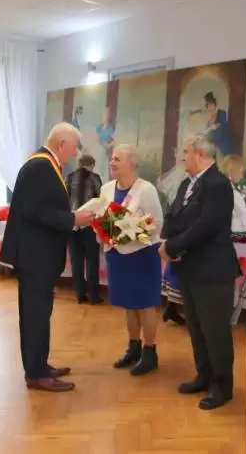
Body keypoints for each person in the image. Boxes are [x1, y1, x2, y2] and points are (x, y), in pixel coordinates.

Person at [0, 122, 94, 392]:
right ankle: (36, 373)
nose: (74, 153)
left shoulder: (43, 164)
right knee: (35, 315)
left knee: (40, 313)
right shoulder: (41, 166)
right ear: (61, 144)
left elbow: (40, 208)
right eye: (73, 147)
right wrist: (73, 219)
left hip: (37, 255)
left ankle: (40, 364)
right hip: (35, 256)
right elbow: (35, 211)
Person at [159, 134, 239, 410]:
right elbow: (175, 216)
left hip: (213, 271)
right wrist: (165, 239)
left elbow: (206, 226)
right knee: (196, 328)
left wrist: (173, 246)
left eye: (185, 152)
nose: (182, 157)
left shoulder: (218, 185)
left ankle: (222, 385)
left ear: (200, 154)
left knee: (215, 331)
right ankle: (203, 375)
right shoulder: (187, 183)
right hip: (189, 268)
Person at [97, 144, 164, 376]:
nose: (112, 162)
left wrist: (129, 231)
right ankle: (133, 347)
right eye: (112, 158)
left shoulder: (146, 189)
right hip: (117, 254)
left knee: (144, 304)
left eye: (117, 159)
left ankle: (150, 352)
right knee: (128, 303)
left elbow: (157, 224)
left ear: (132, 164)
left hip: (142, 254)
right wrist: (102, 229)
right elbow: (101, 217)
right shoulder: (106, 189)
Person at [66, 153, 103, 304]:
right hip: (89, 225)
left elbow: (65, 199)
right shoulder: (95, 178)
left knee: (76, 261)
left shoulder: (69, 178)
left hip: (72, 224)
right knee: (92, 261)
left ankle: (80, 294)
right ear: (91, 165)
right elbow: (101, 200)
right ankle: (94, 296)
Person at [219, 154, 246, 234]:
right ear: (231, 170)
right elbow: (241, 215)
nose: (241, 176)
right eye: (241, 172)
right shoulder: (229, 190)